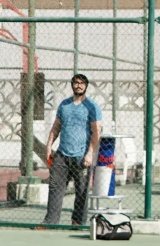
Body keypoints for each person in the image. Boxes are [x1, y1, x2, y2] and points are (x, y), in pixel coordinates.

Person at [43, 73, 102, 226]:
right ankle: (51, 221)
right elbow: (56, 127)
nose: (79, 85)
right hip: (62, 155)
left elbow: (96, 131)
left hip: (82, 156)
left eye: (82, 83)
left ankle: (78, 222)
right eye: (76, 82)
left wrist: (90, 154)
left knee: (82, 191)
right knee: (55, 187)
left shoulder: (92, 107)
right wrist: (49, 146)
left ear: (86, 86)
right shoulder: (64, 105)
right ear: (72, 85)